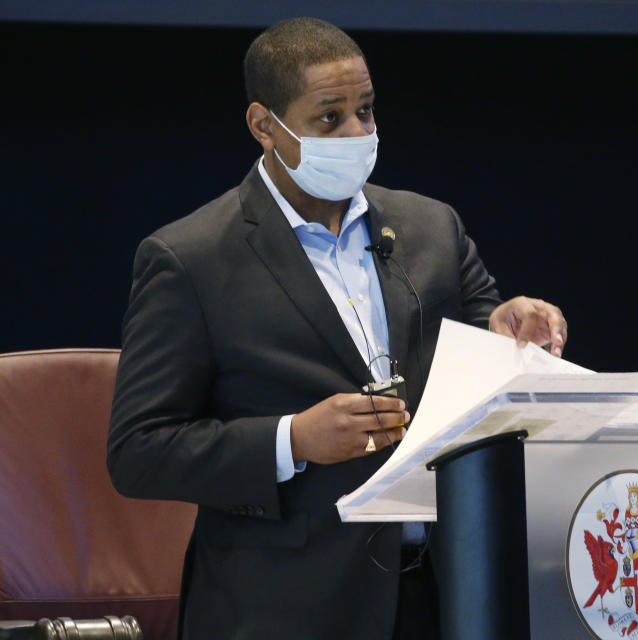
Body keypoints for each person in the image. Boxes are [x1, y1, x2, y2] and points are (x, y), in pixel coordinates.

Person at [107, 17, 567, 640]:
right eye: (330, 118)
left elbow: (482, 343)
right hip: (286, 607)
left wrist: (509, 325)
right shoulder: (190, 258)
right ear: (264, 126)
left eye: (367, 111)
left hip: (447, 593)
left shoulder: (431, 227)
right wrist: (292, 439)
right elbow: (140, 452)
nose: (357, 133)